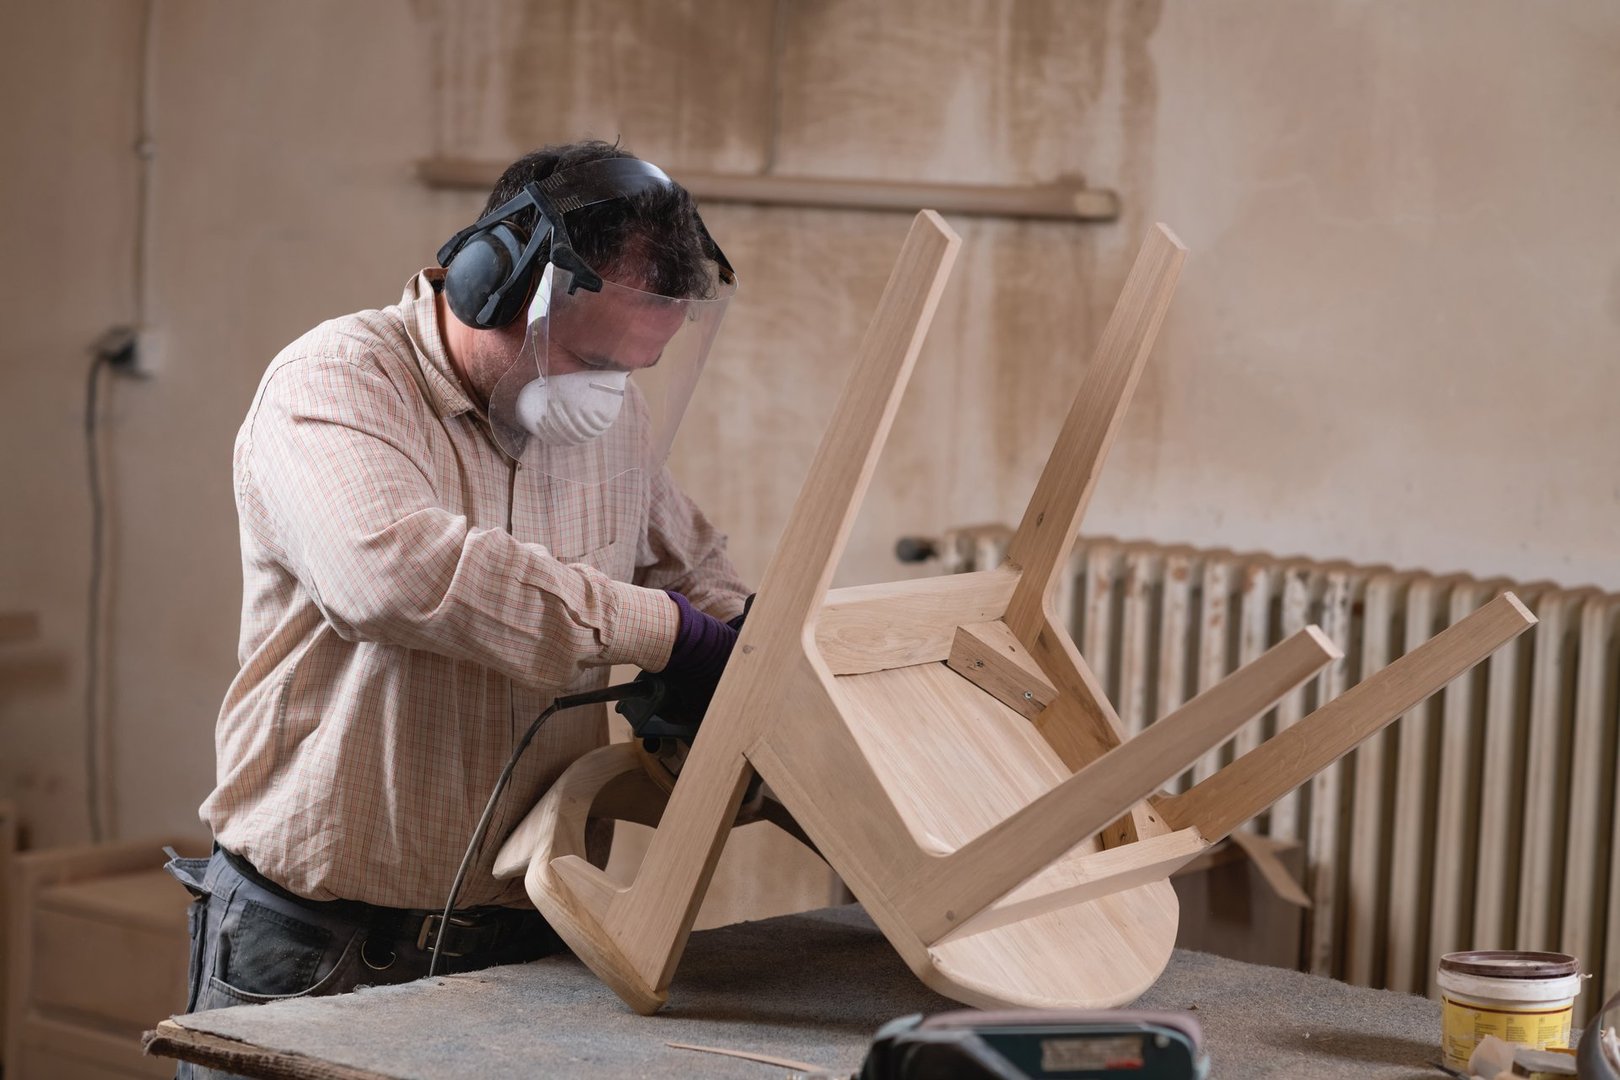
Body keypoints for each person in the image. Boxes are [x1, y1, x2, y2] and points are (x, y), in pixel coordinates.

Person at [165, 140, 749, 1074]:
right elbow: (392, 575)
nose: (606, 396)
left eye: (632, 371)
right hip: (319, 948)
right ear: (492, 282)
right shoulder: (338, 381)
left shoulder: (609, 420)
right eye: (590, 358)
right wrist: (670, 633)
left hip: (528, 945)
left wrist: (750, 643)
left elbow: (691, 568)